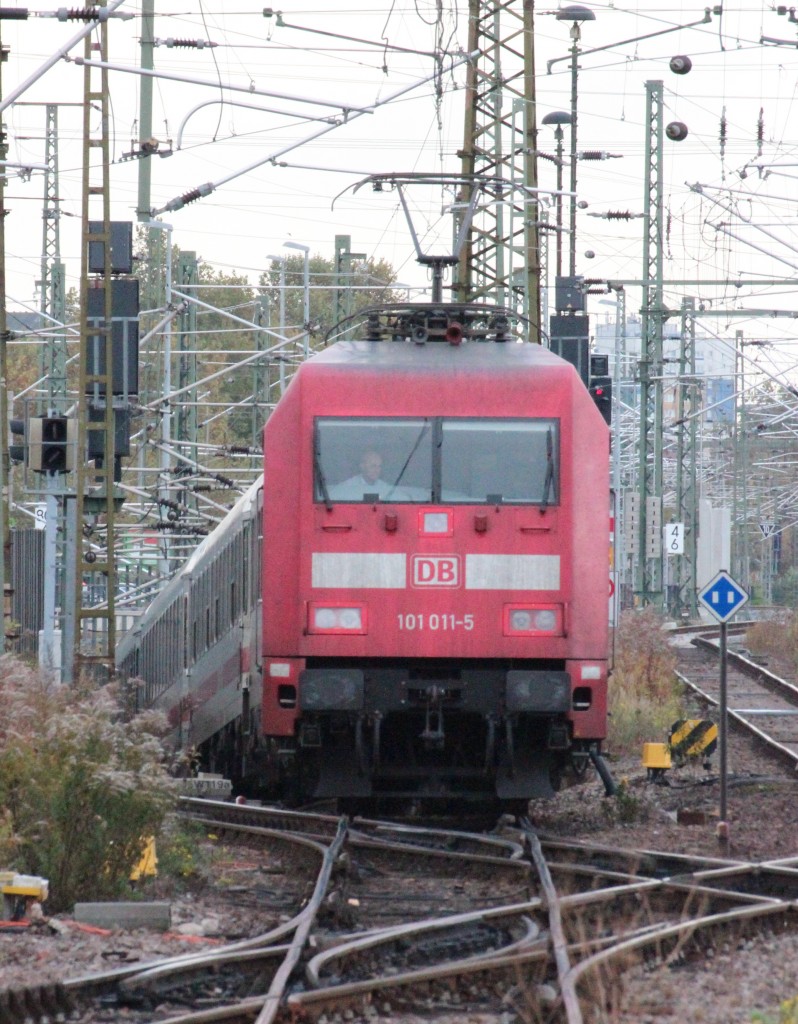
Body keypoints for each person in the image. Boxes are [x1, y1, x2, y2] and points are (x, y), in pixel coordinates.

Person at [331, 448, 400, 500]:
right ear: (362, 466)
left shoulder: (386, 488)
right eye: (373, 466)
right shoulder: (347, 487)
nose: (377, 470)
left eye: (379, 466)